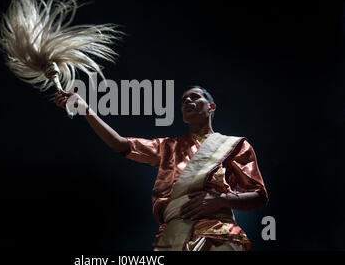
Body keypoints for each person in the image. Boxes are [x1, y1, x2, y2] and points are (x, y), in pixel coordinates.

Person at [54, 86, 268, 251]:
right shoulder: (168, 147)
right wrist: (86, 109)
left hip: (218, 235)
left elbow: (259, 196)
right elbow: (121, 144)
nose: (188, 101)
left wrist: (221, 200)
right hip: (172, 237)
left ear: (211, 107)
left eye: (195, 97)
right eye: (184, 100)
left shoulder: (234, 145)